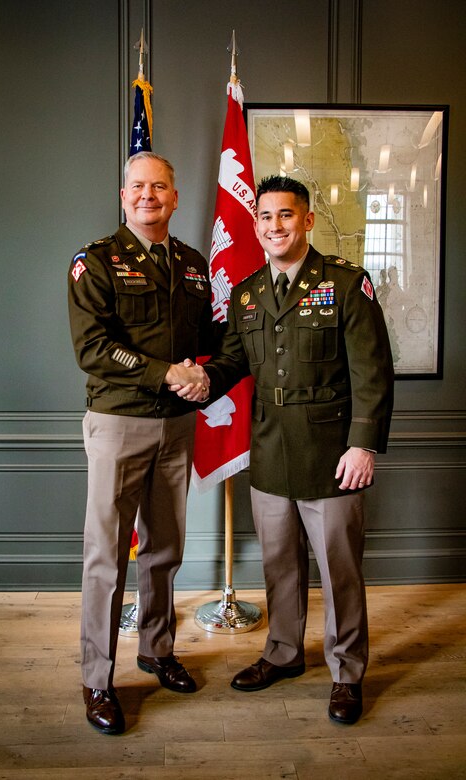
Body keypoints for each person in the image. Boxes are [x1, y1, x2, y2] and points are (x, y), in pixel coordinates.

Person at [175, 175, 394, 725]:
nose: (275, 226)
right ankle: (284, 654)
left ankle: (347, 673)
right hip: (270, 451)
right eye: (266, 218)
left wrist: (363, 445)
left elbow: (373, 372)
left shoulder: (346, 284)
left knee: (339, 571)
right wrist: (200, 380)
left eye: (286, 216)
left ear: (308, 220)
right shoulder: (248, 293)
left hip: (332, 455)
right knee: (280, 566)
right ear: (256, 226)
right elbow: (232, 362)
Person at [68, 151, 216, 735]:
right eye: (138, 187)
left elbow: (207, 335)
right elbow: (93, 349)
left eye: (160, 186)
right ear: (123, 196)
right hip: (119, 422)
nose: (148, 195)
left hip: (177, 426)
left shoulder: (193, 263)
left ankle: (156, 649)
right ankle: (97, 678)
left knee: (164, 549)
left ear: (175, 197)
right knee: (107, 557)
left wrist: (208, 374)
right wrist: (166, 373)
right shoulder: (95, 261)